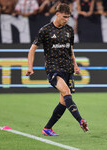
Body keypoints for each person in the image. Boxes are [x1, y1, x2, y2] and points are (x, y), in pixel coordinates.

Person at [25, 3, 89, 136]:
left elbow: (70, 49)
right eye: (64, 17)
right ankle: (80, 120)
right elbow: (32, 49)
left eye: (68, 17)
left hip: (68, 69)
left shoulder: (69, 30)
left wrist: (75, 65)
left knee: (64, 102)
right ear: (57, 14)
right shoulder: (45, 30)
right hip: (53, 69)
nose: (66, 20)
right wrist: (30, 67)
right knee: (66, 93)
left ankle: (47, 128)